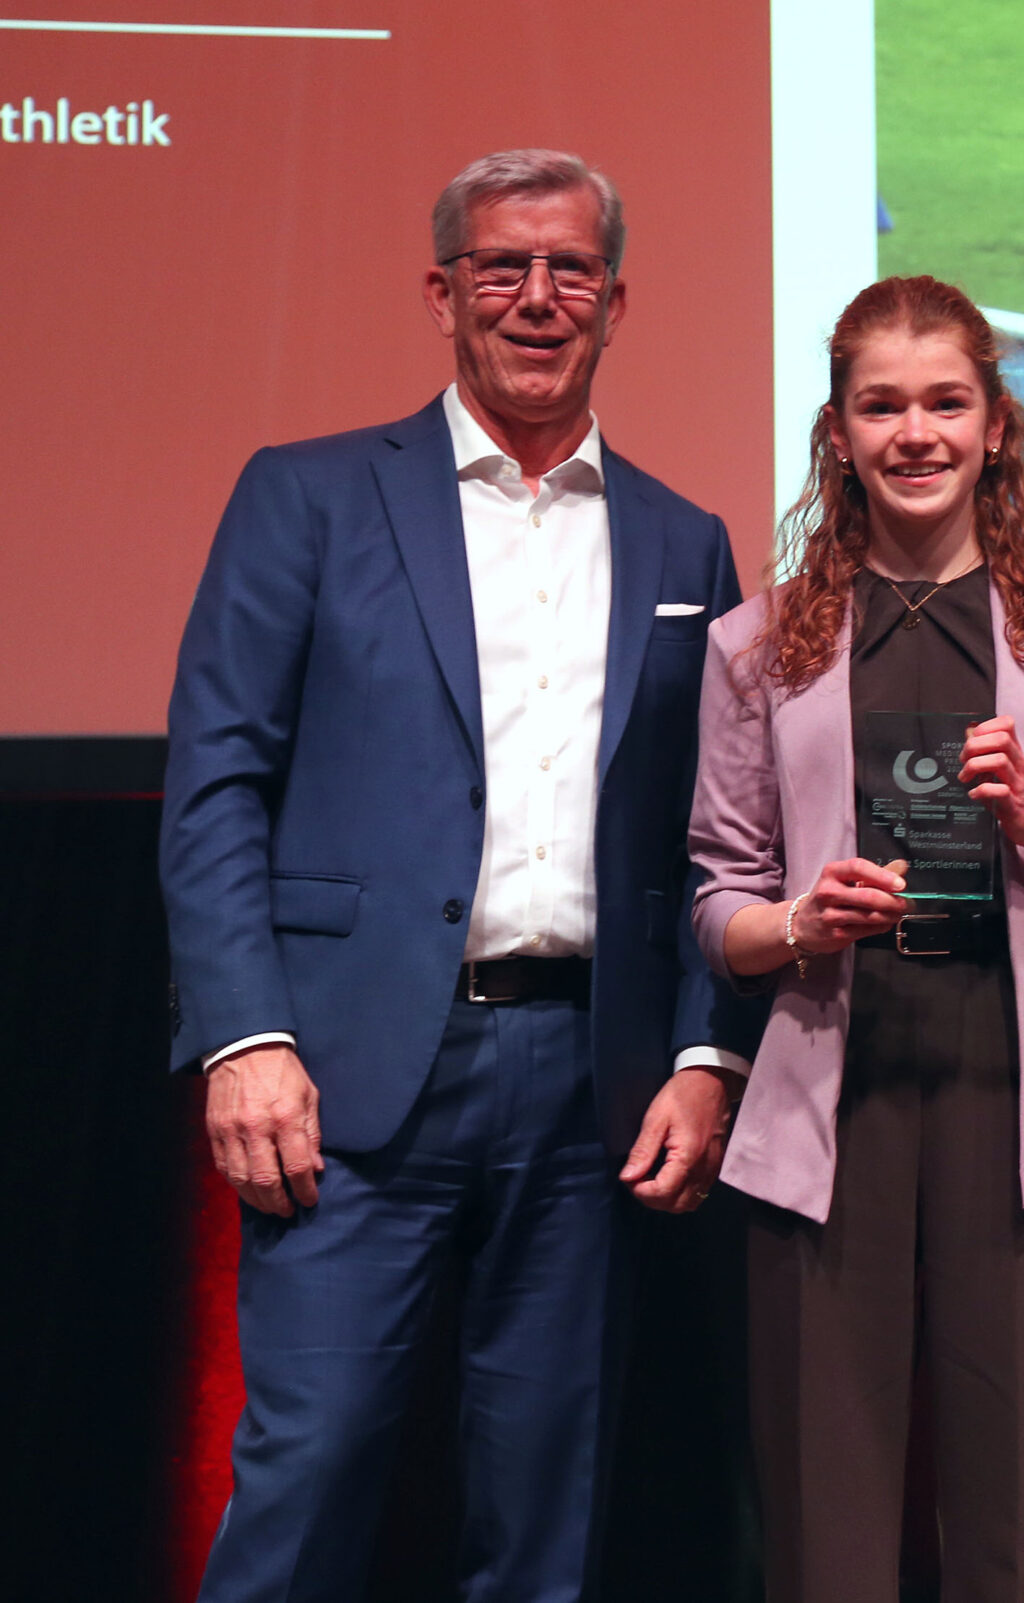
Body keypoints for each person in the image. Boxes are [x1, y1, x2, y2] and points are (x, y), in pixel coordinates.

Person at [161, 148, 760, 1600]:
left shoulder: (685, 541)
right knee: (307, 1478)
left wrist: (706, 1053)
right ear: (443, 293)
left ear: (616, 302)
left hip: (590, 1093)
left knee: (548, 1512)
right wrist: (244, 1036)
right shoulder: (306, 496)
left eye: (571, 270)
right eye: (502, 267)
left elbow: (723, 829)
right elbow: (217, 780)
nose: (536, 298)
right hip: (348, 1078)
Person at [687, 276, 1024, 1603]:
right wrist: (799, 919)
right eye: (880, 405)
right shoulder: (759, 644)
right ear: (837, 433)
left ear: (995, 425)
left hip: (1016, 1104)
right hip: (830, 1105)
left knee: (1008, 1524)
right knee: (824, 1523)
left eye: (945, 402)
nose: (914, 433)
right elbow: (718, 896)